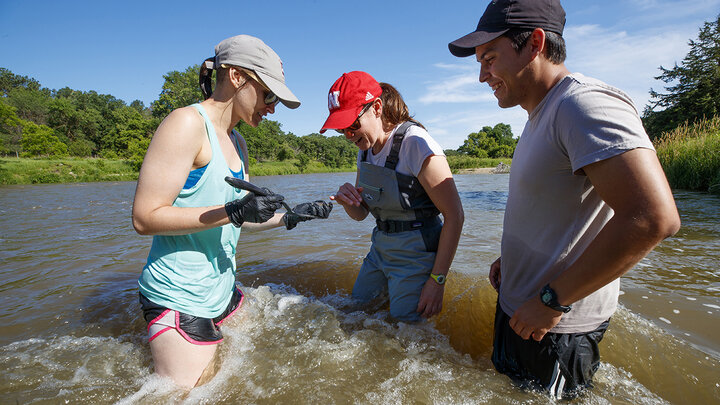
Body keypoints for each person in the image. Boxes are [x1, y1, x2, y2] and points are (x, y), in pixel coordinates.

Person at [448, 0, 681, 398]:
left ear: (535, 43)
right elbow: (558, 209)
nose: (482, 75)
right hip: (525, 312)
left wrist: (554, 301)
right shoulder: (540, 114)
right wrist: (515, 258)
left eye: (489, 57)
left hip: (555, 328)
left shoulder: (582, 104)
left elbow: (653, 218)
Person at [131, 35, 331, 388]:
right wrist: (234, 210)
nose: (272, 108)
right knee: (187, 395)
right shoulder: (186, 124)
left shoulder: (238, 141)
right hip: (180, 296)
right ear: (237, 76)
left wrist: (291, 216)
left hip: (222, 289)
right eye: (269, 95)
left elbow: (243, 217)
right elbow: (144, 218)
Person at [322, 71, 464, 323]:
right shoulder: (364, 151)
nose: (348, 135)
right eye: (341, 129)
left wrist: (437, 280)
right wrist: (347, 202)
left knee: (406, 331)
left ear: (376, 107)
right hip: (380, 248)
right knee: (353, 314)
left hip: (417, 253)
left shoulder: (416, 143)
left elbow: (455, 216)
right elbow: (361, 213)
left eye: (353, 124)